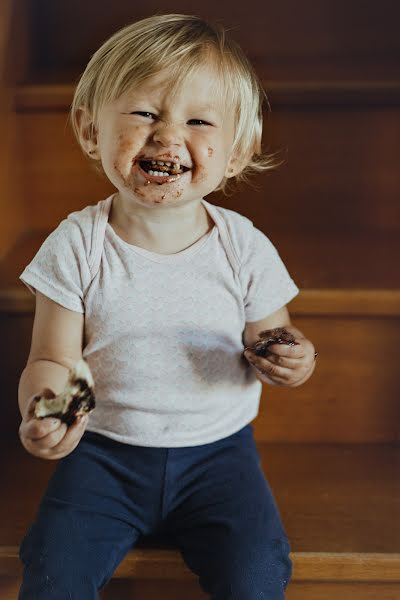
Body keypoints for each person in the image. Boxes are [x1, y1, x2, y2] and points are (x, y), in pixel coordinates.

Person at [17, 14, 317, 599]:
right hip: (101, 454)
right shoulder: (77, 245)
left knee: (257, 575)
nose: (167, 137)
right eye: (144, 113)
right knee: (52, 571)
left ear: (235, 154)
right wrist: (44, 407)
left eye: (199, 121)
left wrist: (291, 360)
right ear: (89, 131)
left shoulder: (243, 246)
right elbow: (52, 358)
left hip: (220, 459)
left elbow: (273, 338)